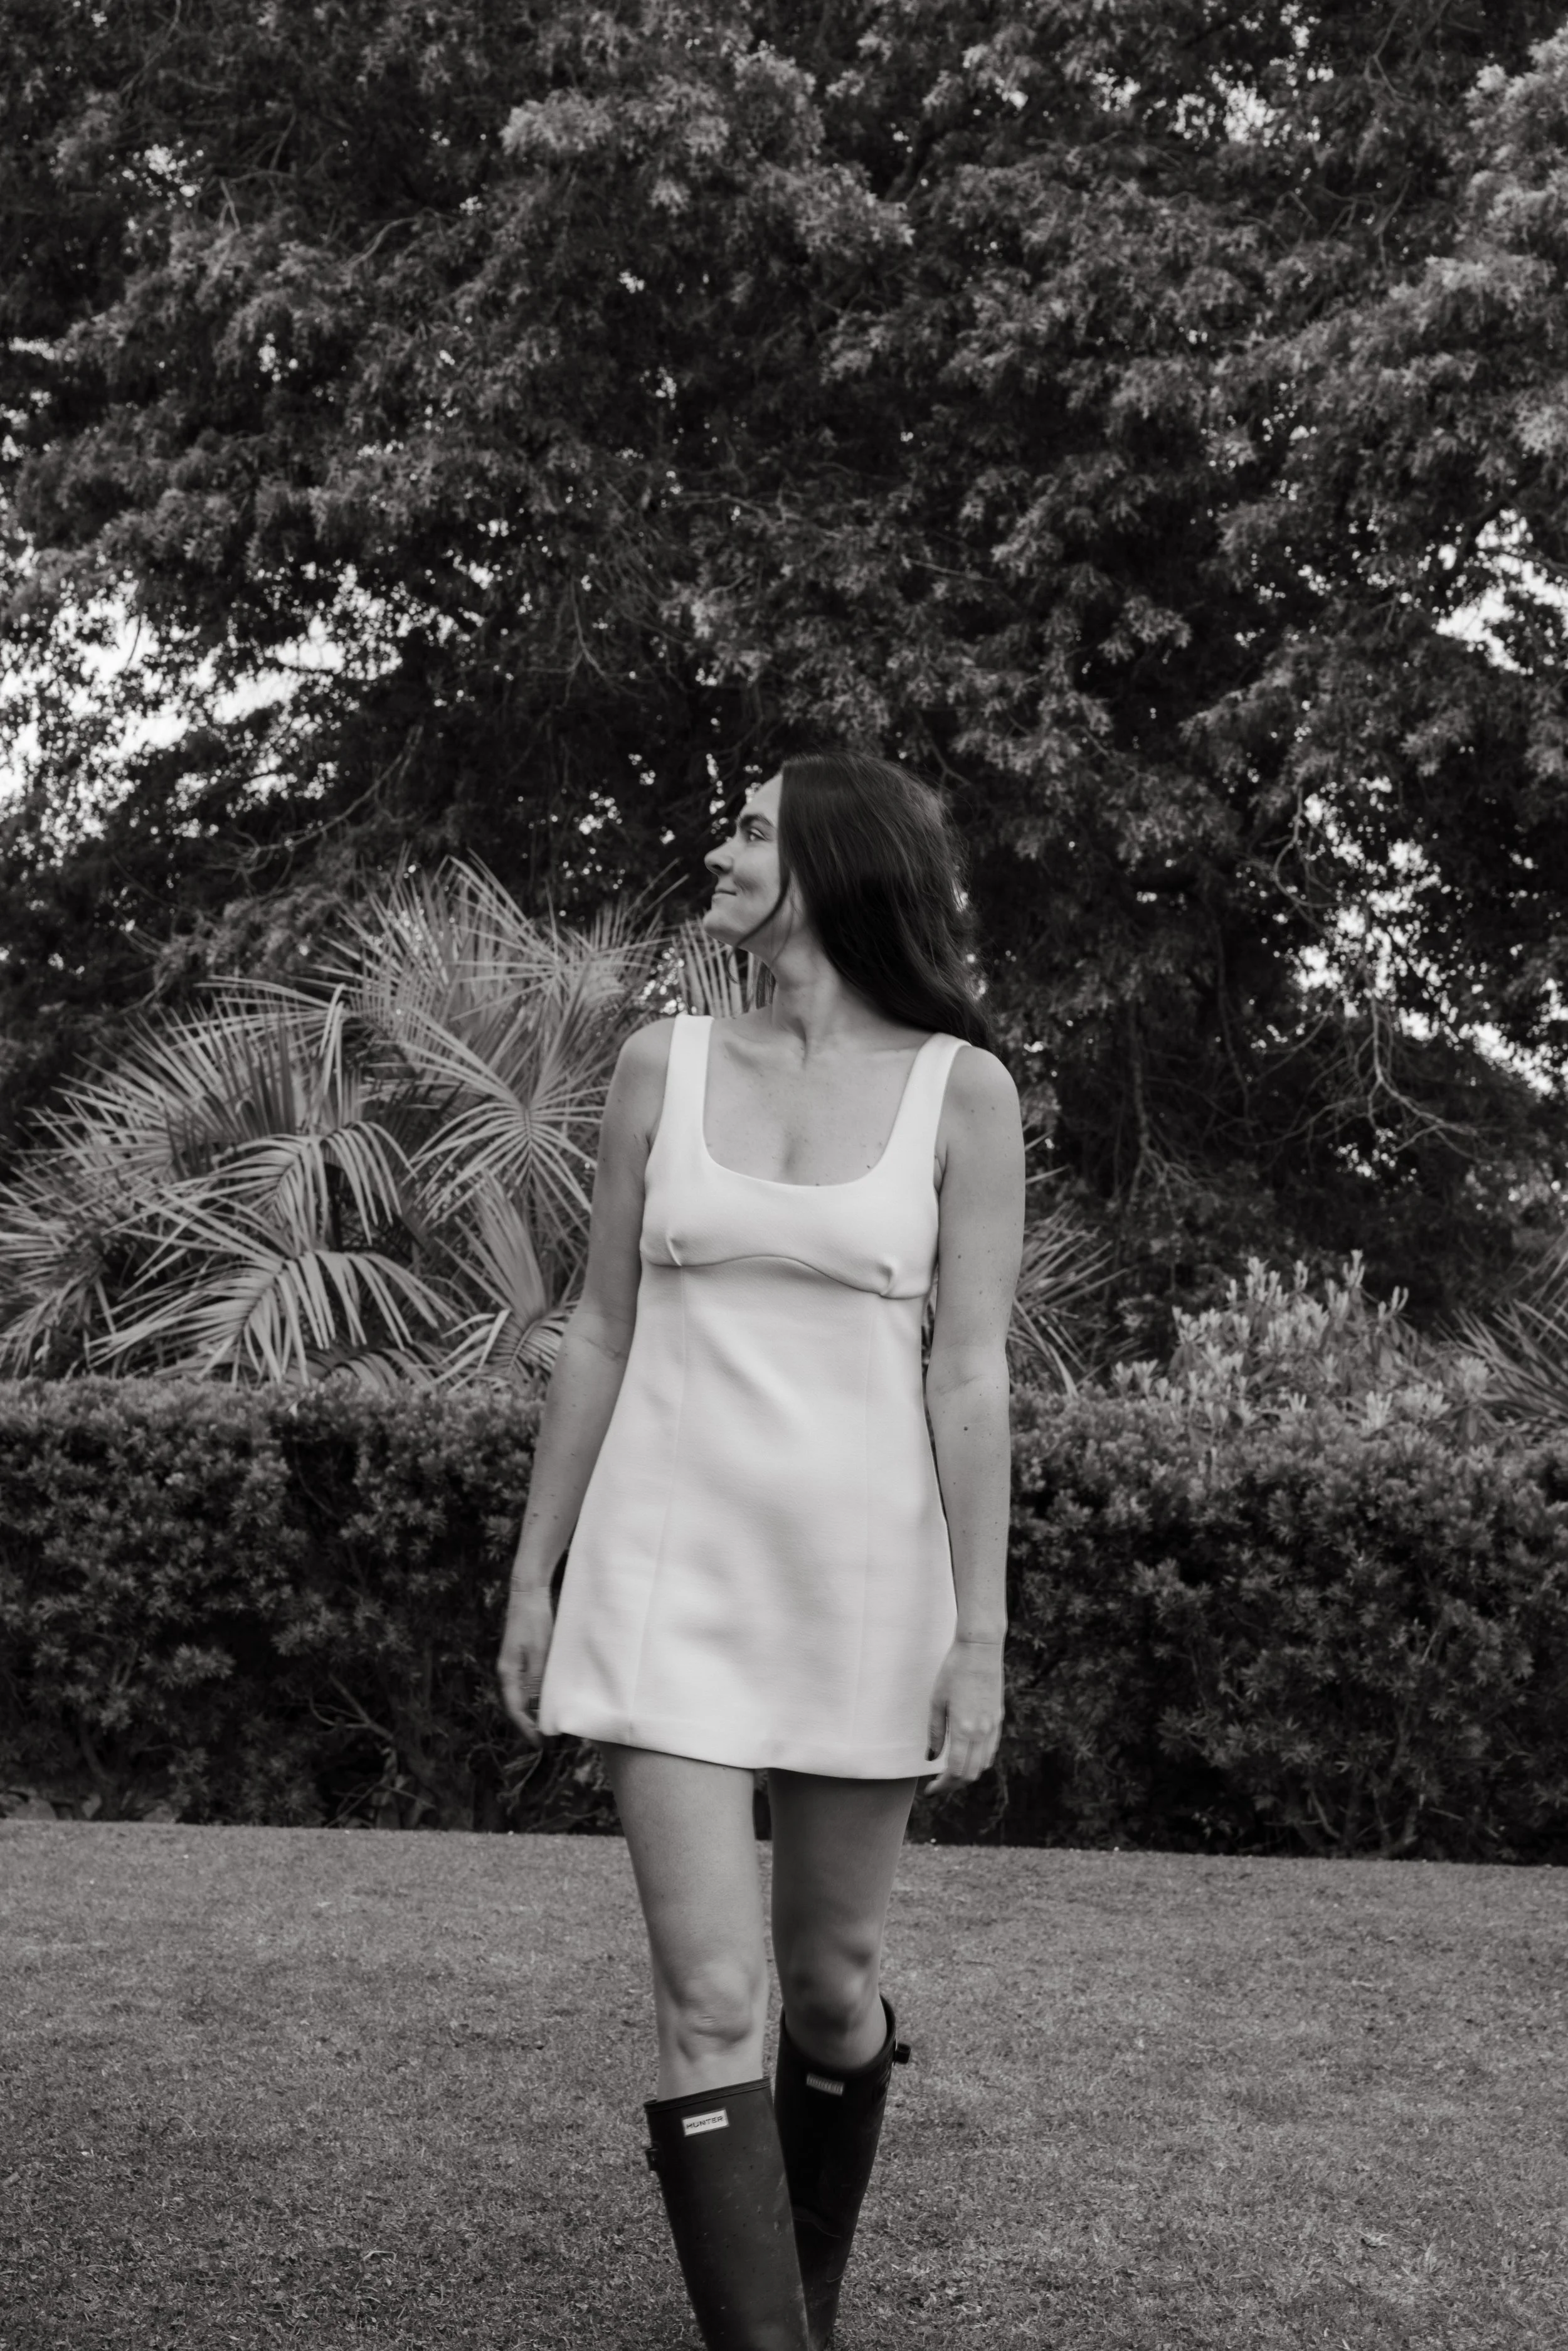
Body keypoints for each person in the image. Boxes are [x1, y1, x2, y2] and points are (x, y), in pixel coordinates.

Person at [497, 748, 1024, 2351]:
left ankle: (798, 2281)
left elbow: (971, 1372)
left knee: (824, 1986)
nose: (715, 848)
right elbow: (596, 1328)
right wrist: (538, 1569)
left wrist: (980, 1631)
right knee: (709, 2000)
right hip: (665, 1577)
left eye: (746, 828)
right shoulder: (660, 1064)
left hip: (865, 1586)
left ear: (833, 862)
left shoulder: (963, 1091)